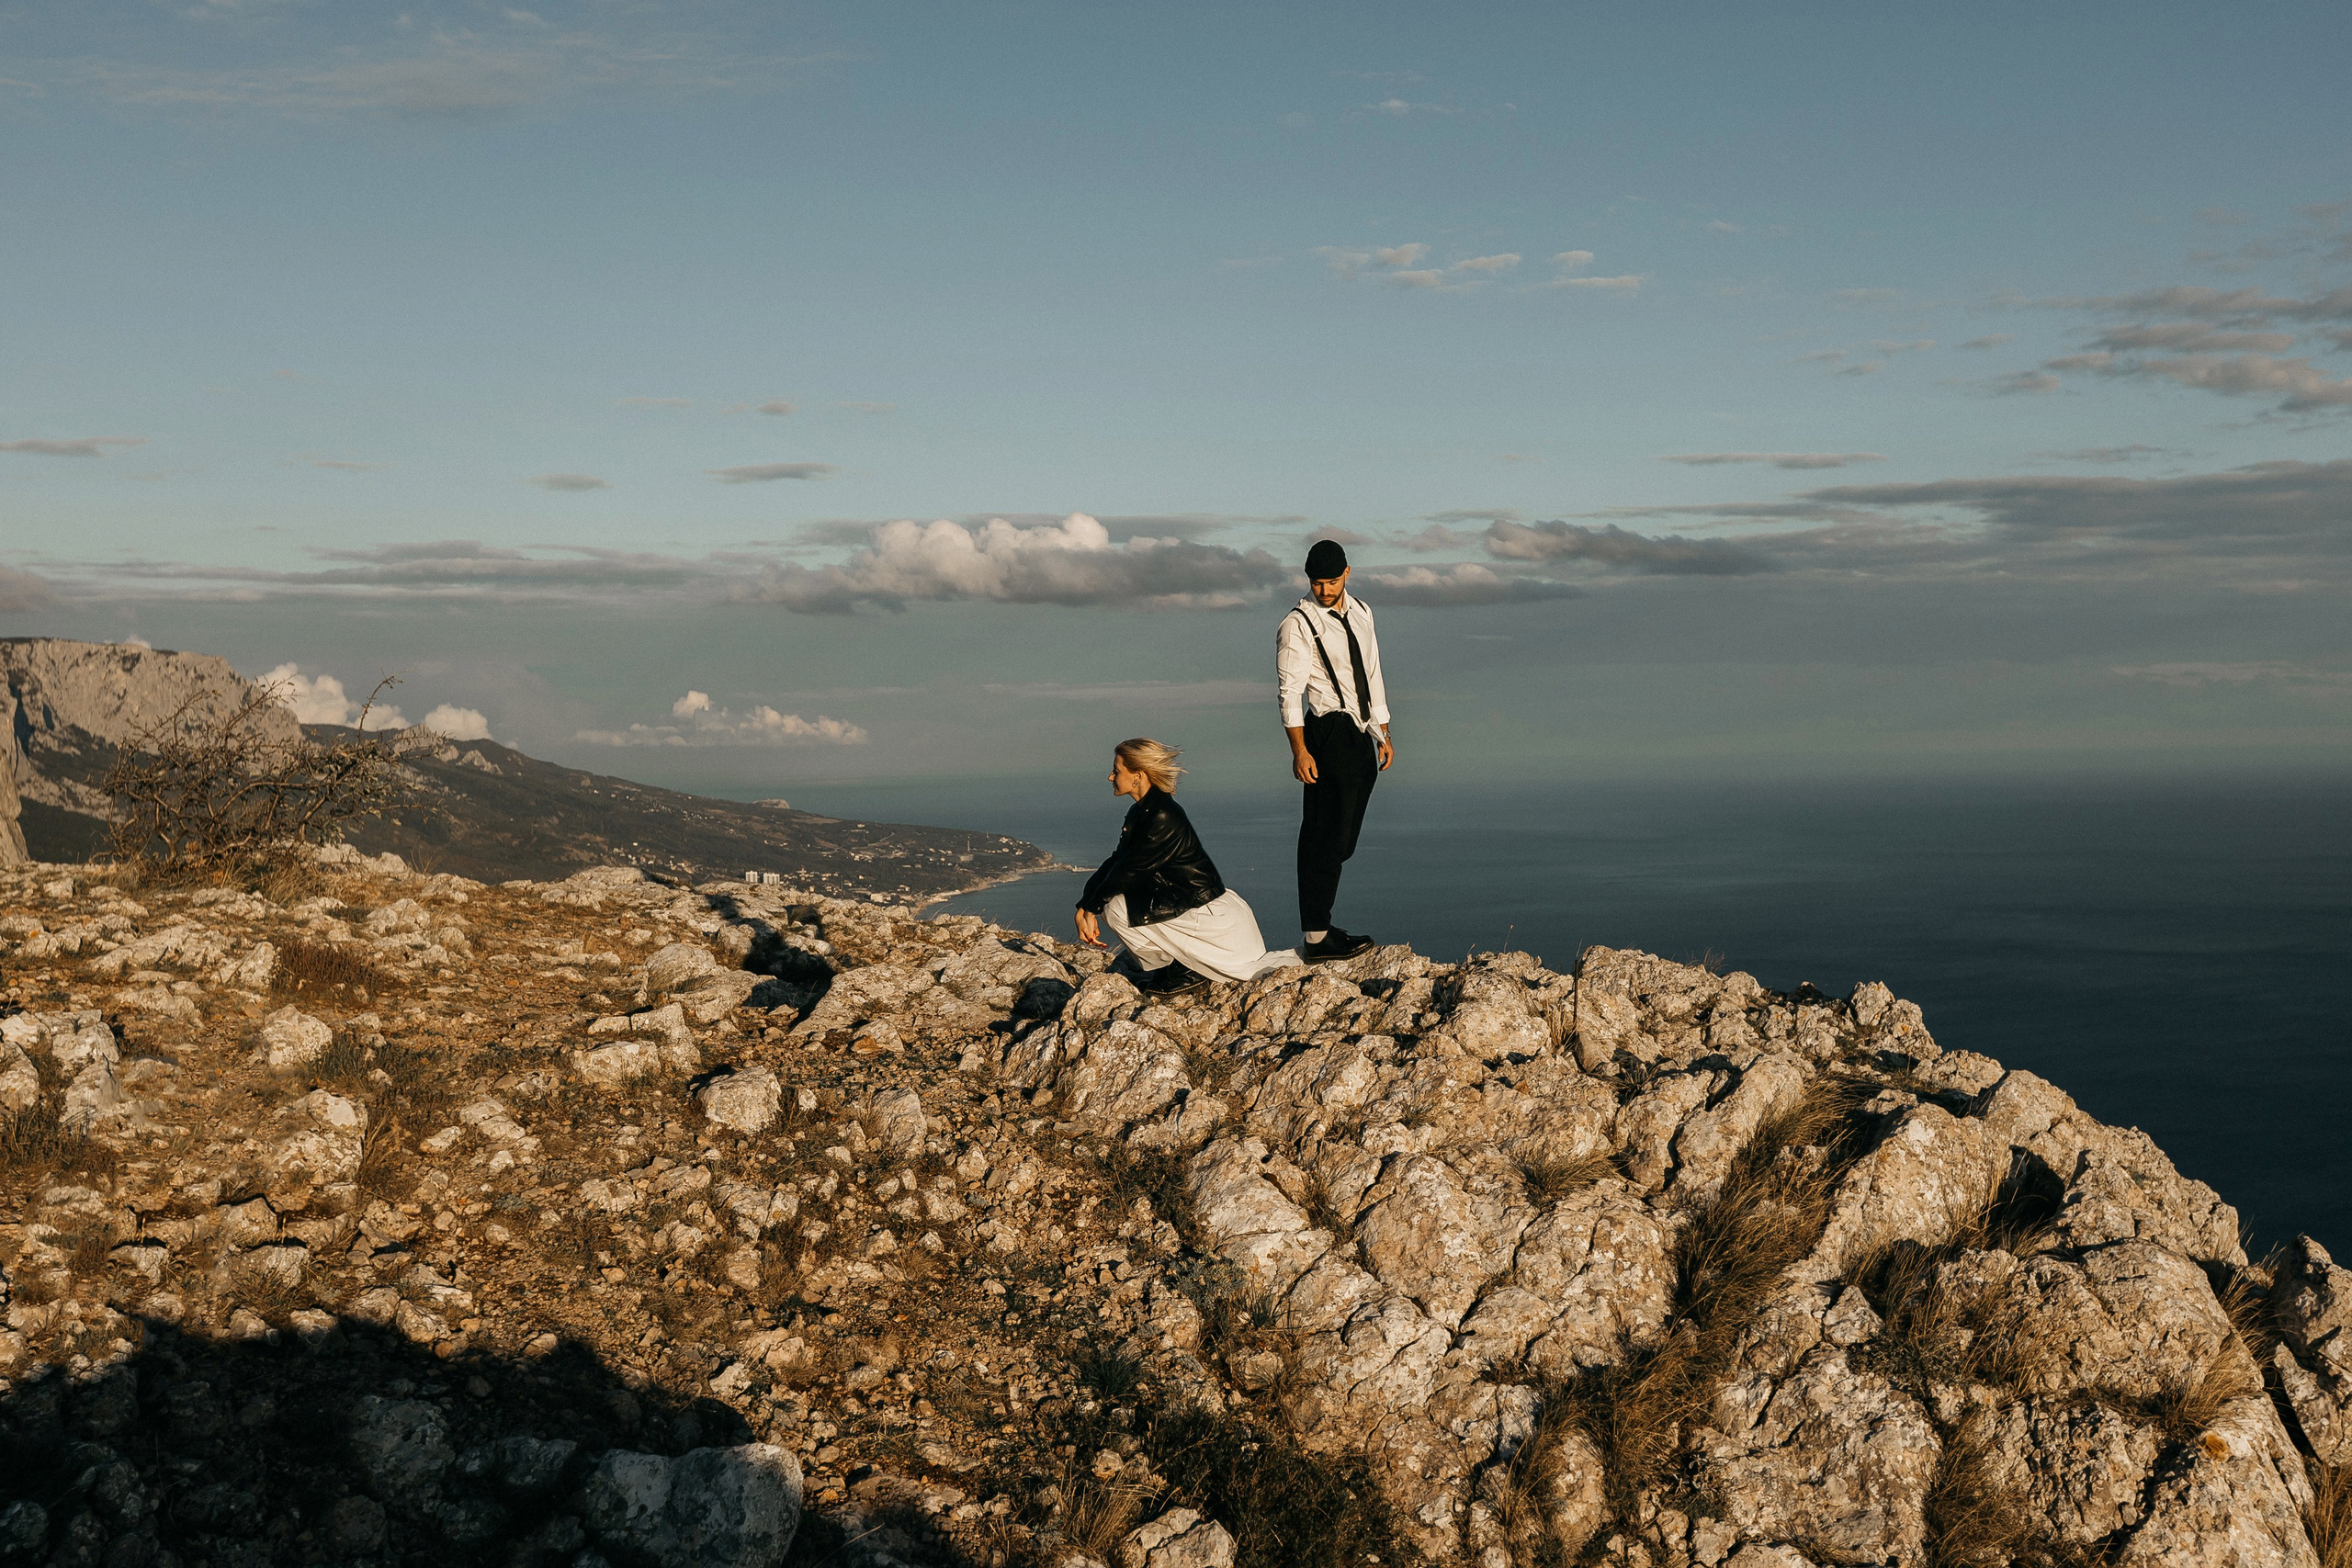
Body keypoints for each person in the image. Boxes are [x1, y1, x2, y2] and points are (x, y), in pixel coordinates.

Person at [1074, 738, 1299, 997]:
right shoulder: (1143, 811)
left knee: (1114, 908)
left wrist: (1093, 906)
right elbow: (1118, 860)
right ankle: (1176, 966)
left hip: (1209, 917)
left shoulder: (1161, 815)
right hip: (1187, 906)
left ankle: (1188, 969)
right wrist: (1085, 904)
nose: (1110, 776)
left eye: (1117, 770)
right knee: (1112, 905)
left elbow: (1130, 870)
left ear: (1138, 776)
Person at [1276, 538, 1393, 964]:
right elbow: (1289, 693)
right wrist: (1300, 750)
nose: (1323, 590)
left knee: (1343, 839)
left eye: (1330, 581)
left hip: (1361, 732)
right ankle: (1317, 935)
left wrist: (1382, 729)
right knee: (1323, 834)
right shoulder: (1298, 624)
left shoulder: (1362, 612)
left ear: (1347, 573)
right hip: (1326, 730)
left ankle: (1320, 926)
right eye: (1316, 582)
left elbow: (1372, 669)